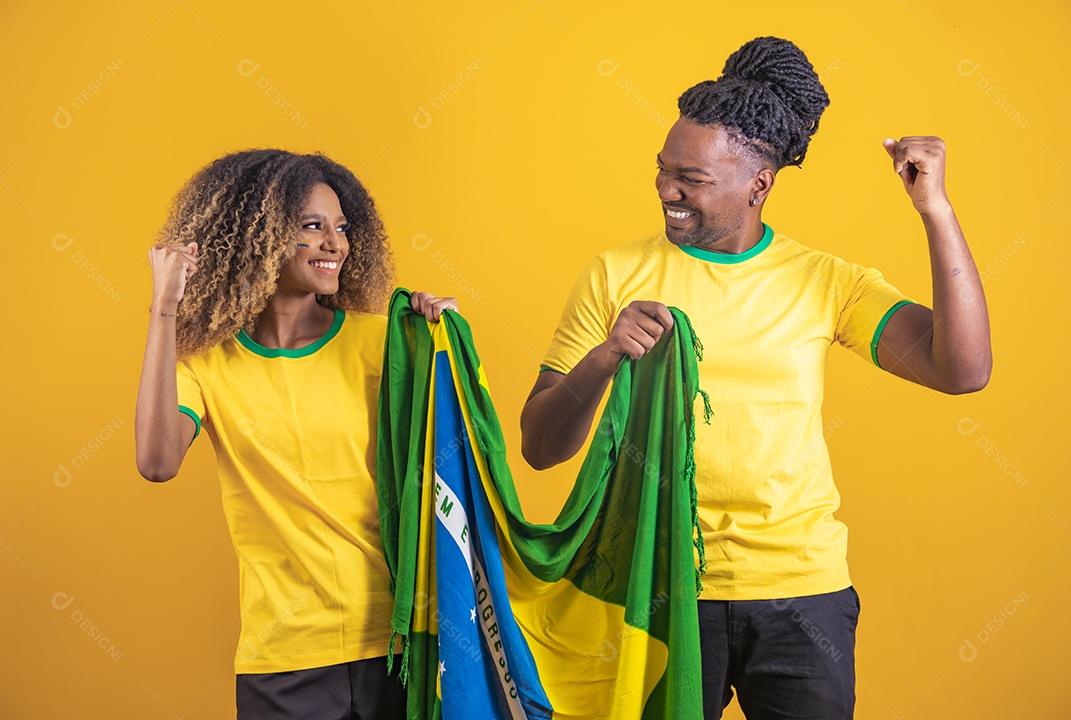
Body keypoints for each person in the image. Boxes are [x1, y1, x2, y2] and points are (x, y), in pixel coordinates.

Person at [520, 36, 991, 720]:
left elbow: (963, 369)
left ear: (758, 185)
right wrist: (606, 356)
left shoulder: (827, 282)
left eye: (692, 178)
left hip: (801, 595)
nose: (665, 190)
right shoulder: (614, 275)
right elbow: (541, 446)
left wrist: (936, 212)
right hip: (660, 586)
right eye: (661, 169)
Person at [134, 149, 455, 720]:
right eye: (313, 227)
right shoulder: (204, 364)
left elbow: (459, 457)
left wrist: (444, 341)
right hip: (283, 655)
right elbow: (157, 461)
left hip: (399, 639)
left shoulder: (386, 342)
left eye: (342, 227)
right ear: (255, 237)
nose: (336, 244)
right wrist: (164, 308)